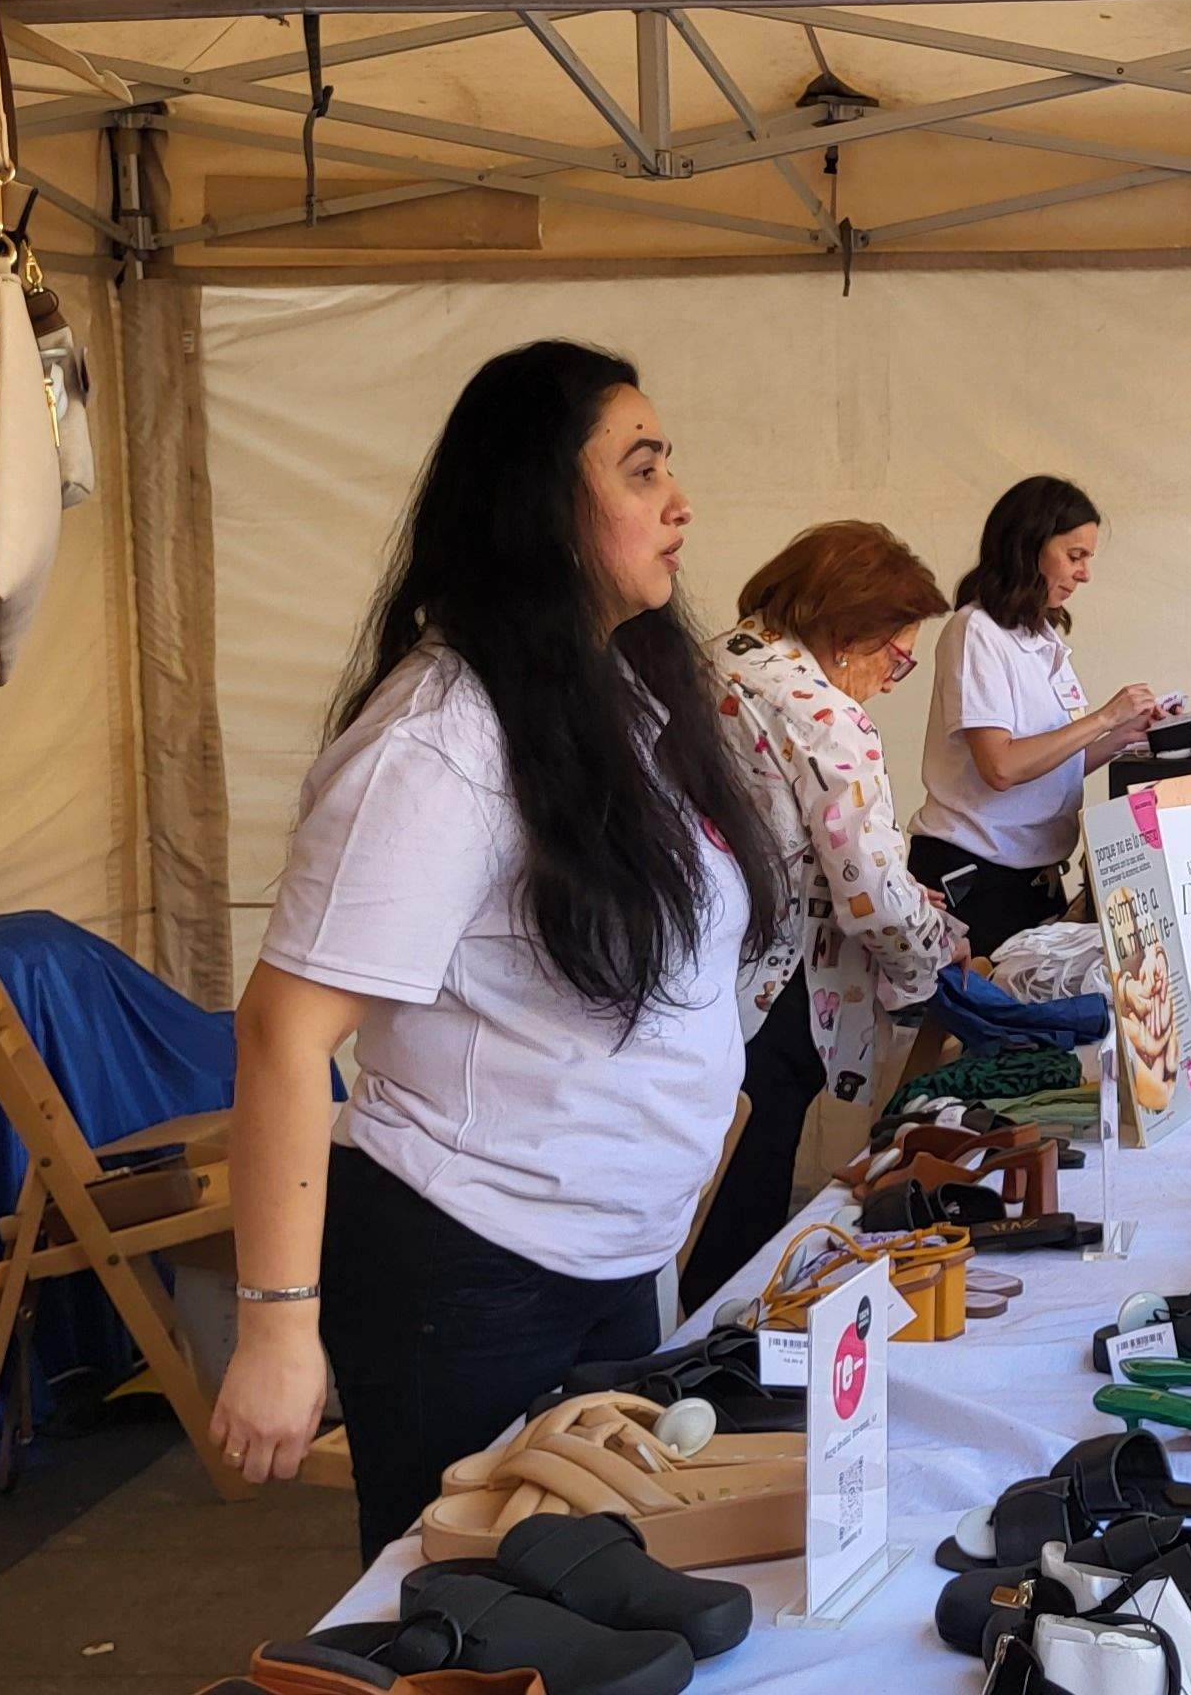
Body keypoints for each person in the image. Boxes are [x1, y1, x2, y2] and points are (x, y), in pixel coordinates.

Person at [205, 340, 784, 1560]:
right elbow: (284, 1030)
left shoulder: (615, 700)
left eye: (666, 467)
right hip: (464, 1275)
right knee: (468, 1622)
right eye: (638, 471)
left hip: (607, 1263)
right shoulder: (438, 744)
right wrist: (274, 1326)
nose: (678, 502)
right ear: (539, 506)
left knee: (600, 1607)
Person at [680, 521, 968, 1308]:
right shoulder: (823, 713)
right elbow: (870, 892)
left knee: (693, 1195)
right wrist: (936, 952)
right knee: (743, 1201)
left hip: (693, 971)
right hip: (771, 991)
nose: (895, 676)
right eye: (897, 656)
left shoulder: (713, 660)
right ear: (848, 633)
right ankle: (719, 1362)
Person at [911, 475, 1163, 955]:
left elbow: (1054, 764)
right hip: (975, 871)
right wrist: (1106, 717)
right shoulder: (976, 632)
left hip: (1034, 874)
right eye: (1075, 556)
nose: (1084, 574)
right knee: (975, 1025)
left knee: (1035, 1021)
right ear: (1028, 547)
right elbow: (1001, 767)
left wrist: (1130, 735)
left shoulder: (1041, 638)